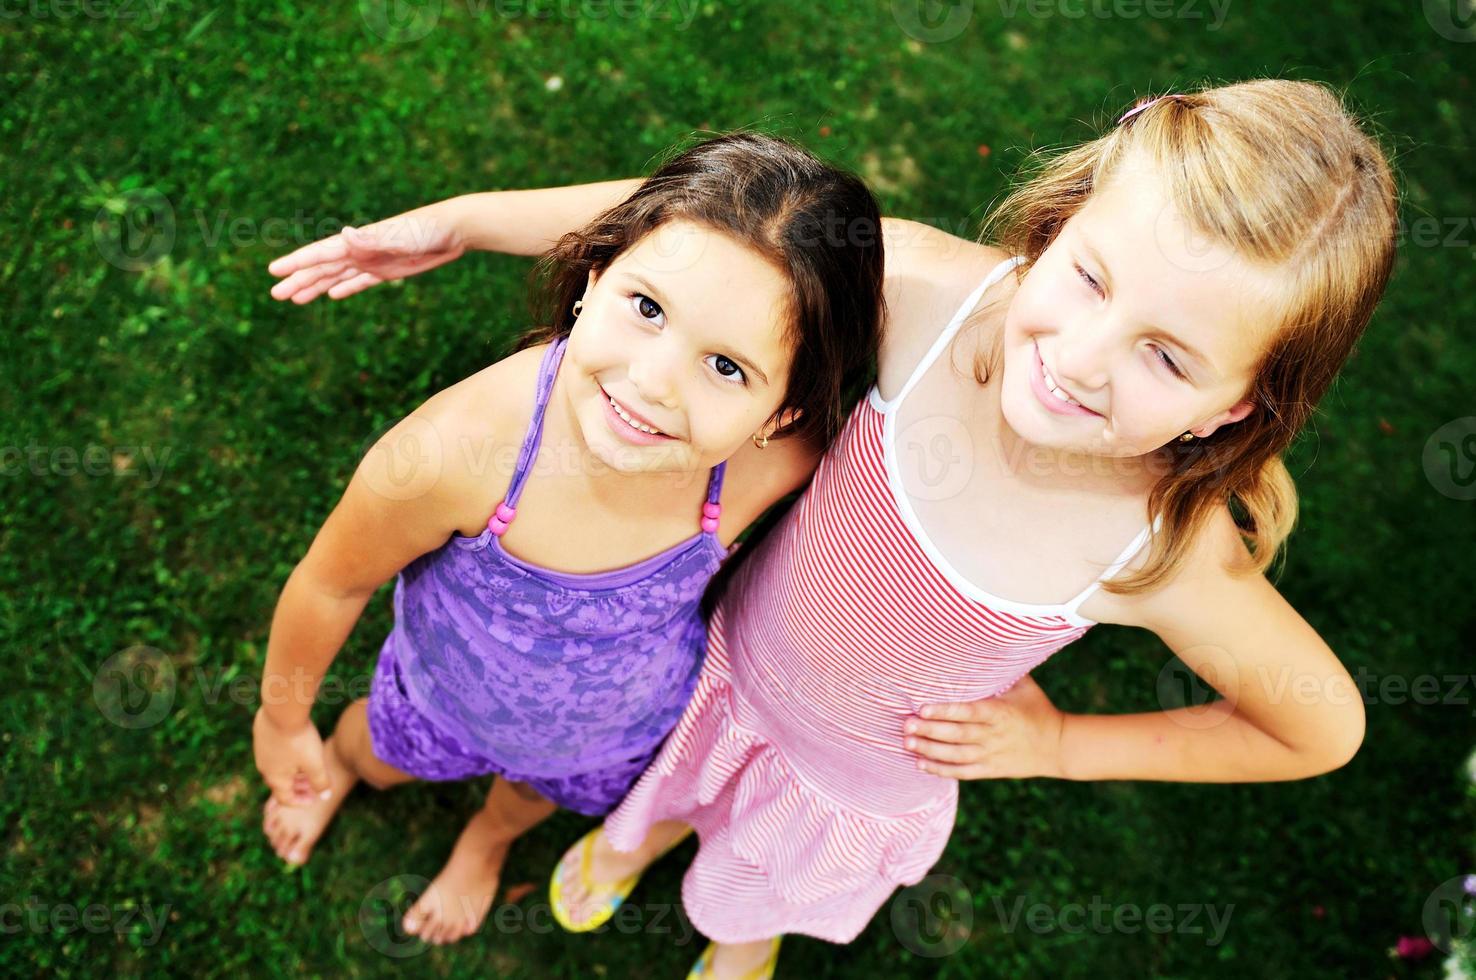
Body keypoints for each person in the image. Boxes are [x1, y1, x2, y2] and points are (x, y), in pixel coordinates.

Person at [267, 79, 1394, 979]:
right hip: (717, 674)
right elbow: (691, 236)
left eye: (1168, 354)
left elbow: (1318, 726)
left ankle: (742, 930)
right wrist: (464, 224)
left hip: (845, 779)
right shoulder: (928, 294)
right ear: (1059, 226)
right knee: (662, 791)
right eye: (1090, 277)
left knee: (759, 884)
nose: (1082, 357)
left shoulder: (1158, 549)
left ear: (1235, 404)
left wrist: (1061, 745)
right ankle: (644, 834)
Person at [253, 132, 885, 948]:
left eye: (726, 367)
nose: (654, 382)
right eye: (648, 308)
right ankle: (340, 768)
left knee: (525, 797)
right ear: (595, 277)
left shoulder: (773, 467)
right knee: (380, 749)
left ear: (783, 414)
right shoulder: (453, 455)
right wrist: (281, 721)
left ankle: (487, 839)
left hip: (607, 731)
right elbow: (330, 584)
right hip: (443, 692)